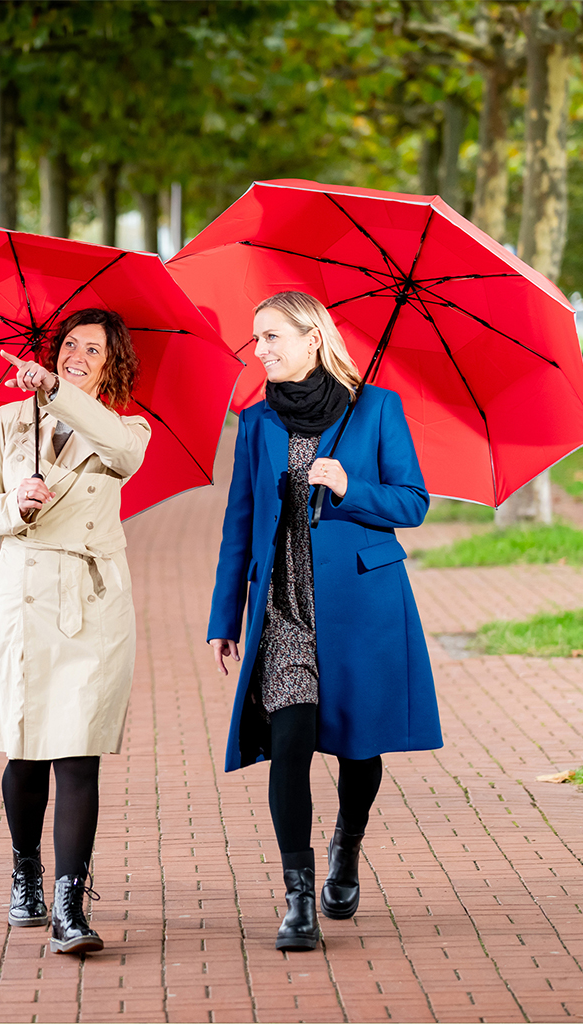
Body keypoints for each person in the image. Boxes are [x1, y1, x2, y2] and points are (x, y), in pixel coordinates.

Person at [207, 291, 442, 952]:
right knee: (290, 744)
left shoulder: (377, 409)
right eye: (257, 339)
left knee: (359, 749)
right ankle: (298, 898)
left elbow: (414, 501)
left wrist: (348, 486)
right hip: (283, 609)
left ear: (313, 338)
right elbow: (240, 524)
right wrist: (226, 614)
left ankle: (348, 840)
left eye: (272, 337)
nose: (261, 351)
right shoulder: (255, 423)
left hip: (362, 605)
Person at [0, 307, 150, 955]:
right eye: (70, 345)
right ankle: (26, 872)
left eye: (92, 350)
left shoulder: (126, 427)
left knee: (79, 750)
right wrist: (15, 505)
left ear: (111, 364)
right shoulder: (9, 421)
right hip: (23, 594)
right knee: (24, 748)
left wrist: (55, 393)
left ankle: (71, 904)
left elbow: (123, 456)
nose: (76, 355)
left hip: (92, 601)